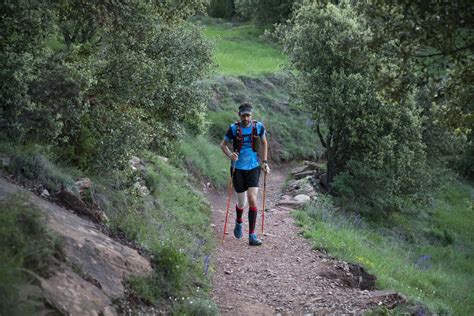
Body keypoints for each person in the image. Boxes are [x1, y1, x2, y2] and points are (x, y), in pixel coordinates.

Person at [220, 102, 270, 246]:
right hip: (238, 169)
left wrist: (265, 162)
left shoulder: (258, 127)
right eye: (243, 116)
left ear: (251, 115)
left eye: (248, 115)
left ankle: (252, 235)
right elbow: (222, 145)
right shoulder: (233, 129)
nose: (246, 118)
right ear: (239, 115)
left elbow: (264, 142)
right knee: (242, 202)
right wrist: (230, 155)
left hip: (254, 167)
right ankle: (239, 221)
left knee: (252, 199)